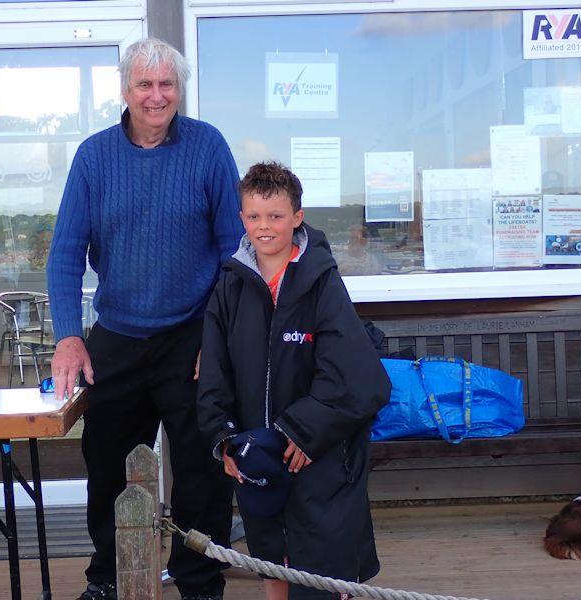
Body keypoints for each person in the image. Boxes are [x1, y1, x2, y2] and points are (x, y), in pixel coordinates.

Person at [46, 37, 242, 600]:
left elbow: (235, 250)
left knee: (203, 467)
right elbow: (65, 254)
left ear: (178, 89)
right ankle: (107, 577)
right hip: (119, 337)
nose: (156, 96)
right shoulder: (93, 156)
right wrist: (68, 338)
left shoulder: (207, 147)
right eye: (144, 84)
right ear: (125, 90)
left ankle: (199, 579)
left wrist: (219, 334)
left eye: (167, 84)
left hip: (191, 334)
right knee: (105, 464)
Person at [197, 162, 391, 600]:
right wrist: (224, 439)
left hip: (317, 459)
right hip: (258, 457)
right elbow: (213, 375)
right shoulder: (229, 286)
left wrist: (302, 432)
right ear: (242, 218)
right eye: (253, 216)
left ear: (298, 217)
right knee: (270, 556)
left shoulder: (321, 282)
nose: (264, 227)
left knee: (321, 574)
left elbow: (358, 377)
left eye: (276, 216)